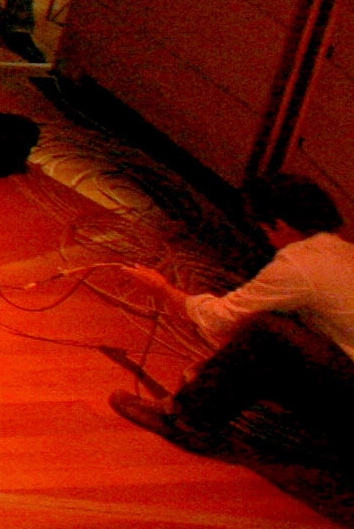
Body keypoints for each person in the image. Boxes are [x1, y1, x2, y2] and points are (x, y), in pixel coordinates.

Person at [110, 172, 354, 452]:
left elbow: (220, 318)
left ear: (281, 225)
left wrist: (163, 290)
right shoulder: (346, 252)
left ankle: (186, 420)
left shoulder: (300, 265)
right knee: (277, 328)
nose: (270, 242)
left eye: (266, 232)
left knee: (268, 331)